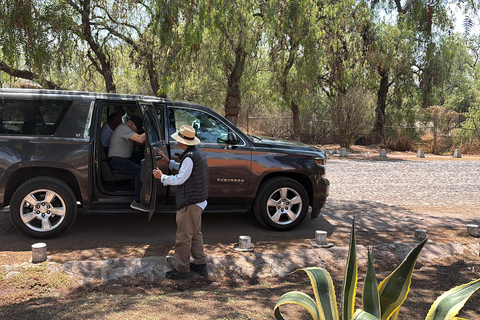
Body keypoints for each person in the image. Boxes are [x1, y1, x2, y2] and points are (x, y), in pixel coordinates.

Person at [153, 125, 209, 280]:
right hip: (198, 201)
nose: (177, 142)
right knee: (195, 234)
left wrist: (161, 177)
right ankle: (200, 264)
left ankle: (183, 270)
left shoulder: (190, 156)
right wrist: (169, 162)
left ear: (183, 142)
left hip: (189, 203)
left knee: (183, 237)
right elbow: (186, 170)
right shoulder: (195, 154)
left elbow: (180, 179)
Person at [108, 115, 148, 212]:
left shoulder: (125, 129)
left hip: (122, 158)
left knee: (145, 155)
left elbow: (138, 143)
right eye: (138, 128)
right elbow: (140, 139)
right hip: (117, 160)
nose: (138, 131)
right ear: (132, 124)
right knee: (140, 170)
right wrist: (150, 130)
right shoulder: (123, 128)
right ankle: (137, 201)